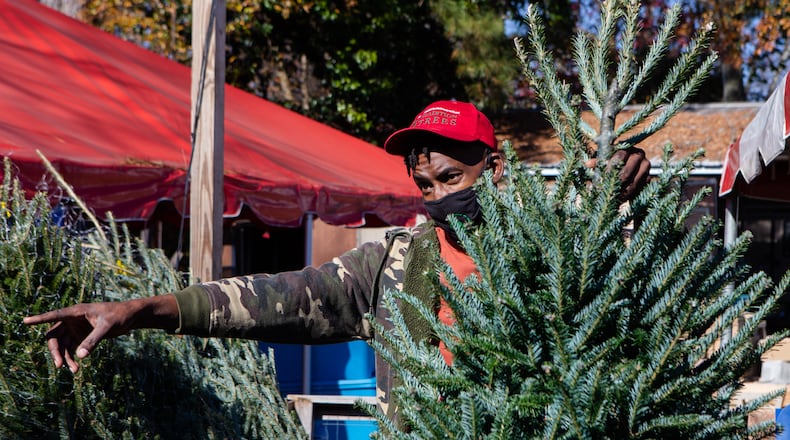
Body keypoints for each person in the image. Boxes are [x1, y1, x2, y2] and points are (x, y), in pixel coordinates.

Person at [23, 100, 649, 421]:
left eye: (453, 177)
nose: (438, 196)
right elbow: (273, 298)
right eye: (425, 185)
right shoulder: (393, 268)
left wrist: (621, 196)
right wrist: (138, 311)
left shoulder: (551, 250)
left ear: (495, 169)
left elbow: (632, 307)